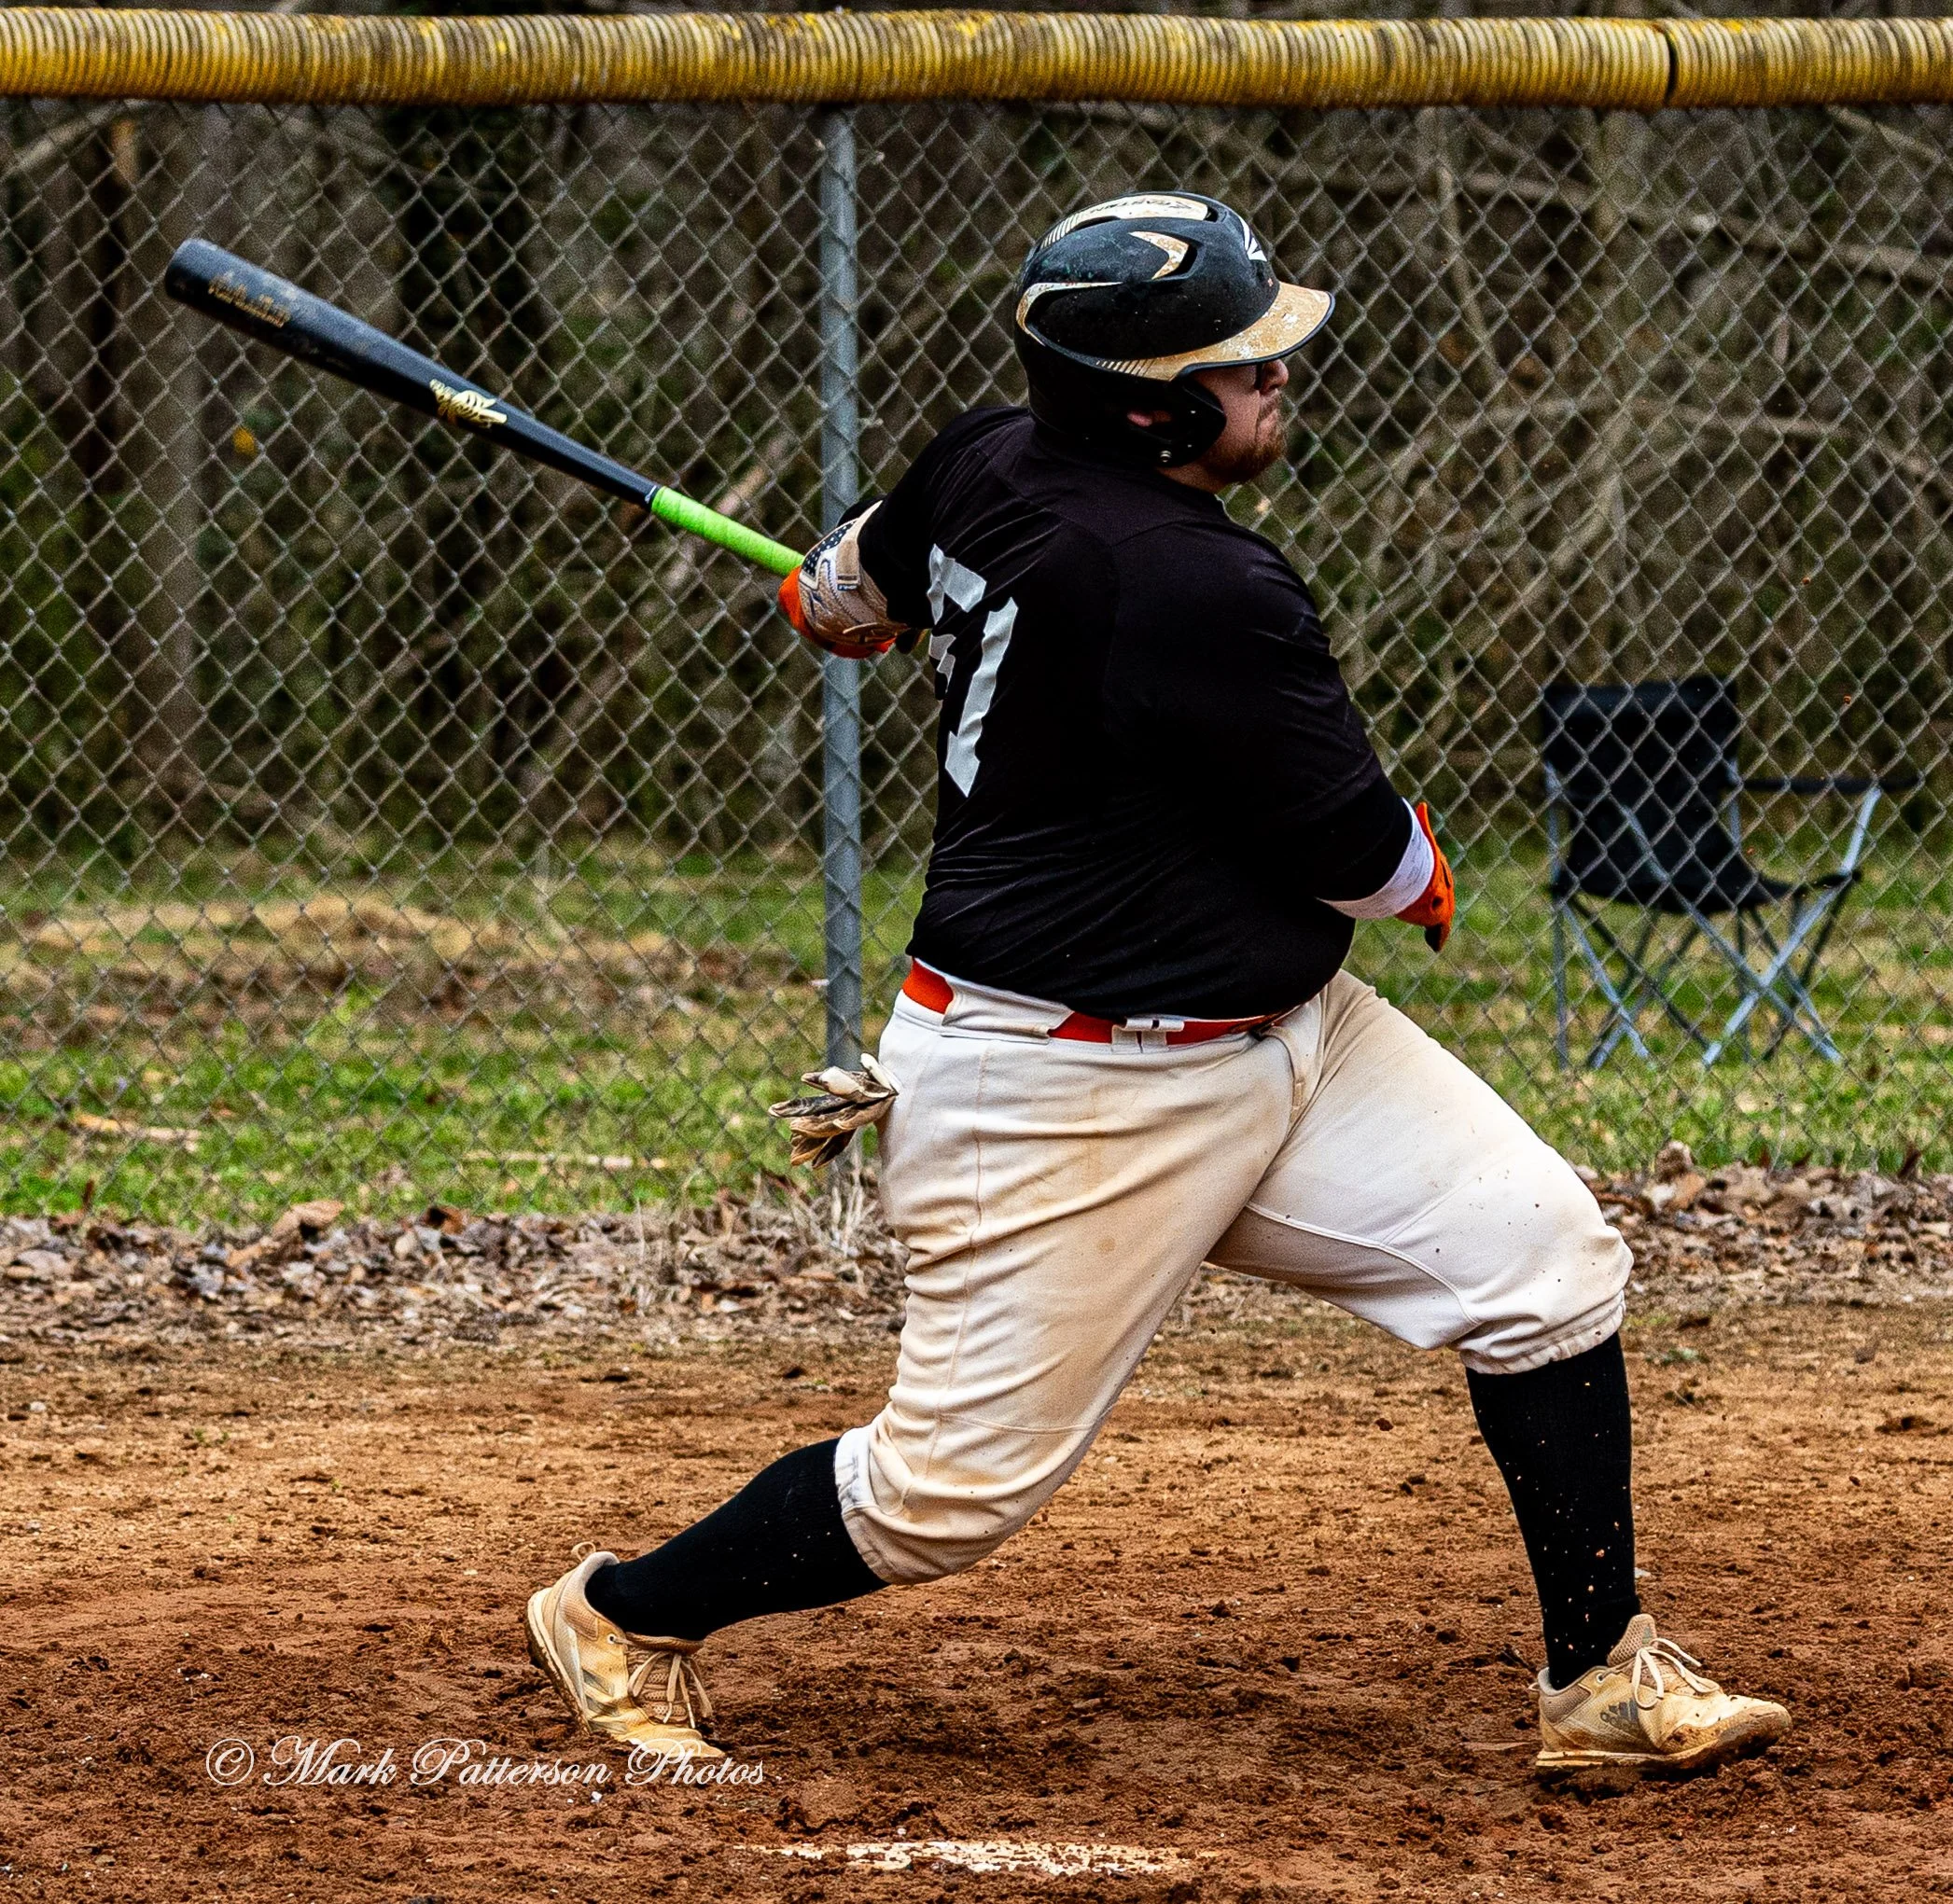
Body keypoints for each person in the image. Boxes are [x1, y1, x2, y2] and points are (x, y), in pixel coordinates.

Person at [524, 192, 1791, 1776]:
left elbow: (837, 599)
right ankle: (616, 1612)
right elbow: (1374, 869)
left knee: (1540, 1264)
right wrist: (1429, 877)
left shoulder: (984, 460)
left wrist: (854, 605)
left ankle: (1603, 1680)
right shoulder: (1202, 584)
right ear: (1158, 405)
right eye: (1246, 365)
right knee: (942, 1498)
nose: (1278, 381)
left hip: (1292, 1041)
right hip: (1058, 1085)